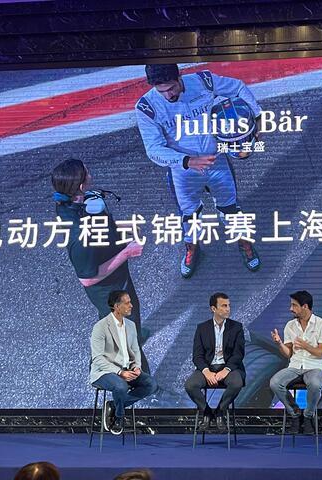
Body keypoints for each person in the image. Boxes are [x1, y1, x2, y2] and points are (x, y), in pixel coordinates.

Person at [135, 64, 261, 278]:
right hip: (183, 171)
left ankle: (245, 244)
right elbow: (153, 149)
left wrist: (257, 116)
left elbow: (238, 87)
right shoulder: (146, 107)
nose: (168, 95)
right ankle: (192, 249)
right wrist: (187, 161)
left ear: (179, 76)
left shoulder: (204, 81)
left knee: (231, 209)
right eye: (161, 91)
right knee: (190, 216)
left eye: (171, 88)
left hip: (216, 162)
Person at [51, 159, 148, 370]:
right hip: (108, 287)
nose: (90, 173)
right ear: (80, 186)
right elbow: (88, 278)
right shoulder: (79, 236)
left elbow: (100, 229)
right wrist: (127, 252)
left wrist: (122, 229)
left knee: (126, 316)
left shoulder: (74, 203)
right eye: (87, 172)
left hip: (117, 277)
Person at [90, 290, 158, 435]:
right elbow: (97, 358)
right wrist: (119, 372)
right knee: (121, 386)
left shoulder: (131, 325)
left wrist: (137, 367)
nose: (131, 306)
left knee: (151, 384)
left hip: (127, 369)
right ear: (116, 306)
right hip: (105, 371)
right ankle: (119, 417)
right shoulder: (100, 327)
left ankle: (114, 406)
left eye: (130, 302)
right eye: (127, 303)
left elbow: (136, 350)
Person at [269, 290, 322, 435]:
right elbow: (289, 353)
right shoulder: (290, 325)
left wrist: (306, 346)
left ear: (305, 306)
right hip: (295, 366)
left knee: (315, 384)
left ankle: (308, 416)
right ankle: (295, 414)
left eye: (294, 305)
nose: (290, 308)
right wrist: (279, 343)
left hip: (316, 366)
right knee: (275, 383)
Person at [184, 292, 245, 433]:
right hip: (208, 367)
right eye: (224, 306)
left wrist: (226, 369)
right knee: (190, 385)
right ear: (213, 309)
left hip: (229, 367)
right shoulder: (202, 328)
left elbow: (238, 354)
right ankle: (207, 412)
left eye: (228, 305)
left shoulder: (236, 327)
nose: (228, 309)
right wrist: (206, 371)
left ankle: (220, 411)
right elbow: (197, 356)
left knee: (237, 383)